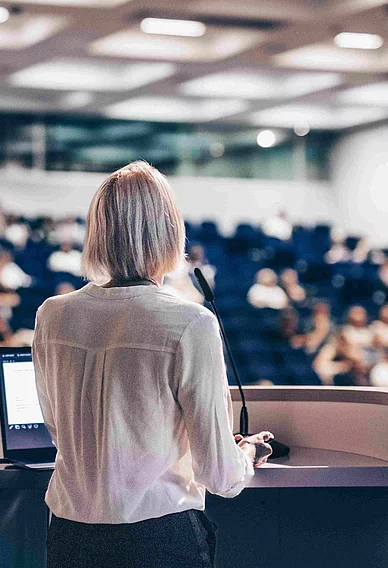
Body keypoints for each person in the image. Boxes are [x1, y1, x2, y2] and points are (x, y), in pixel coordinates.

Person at [33, 162, 272, 568]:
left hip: (70, 537)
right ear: (168, 231)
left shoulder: (52, 315)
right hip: (158, 539)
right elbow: (220, 476)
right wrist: (245, 453)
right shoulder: (190, 322)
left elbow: (62, 431)